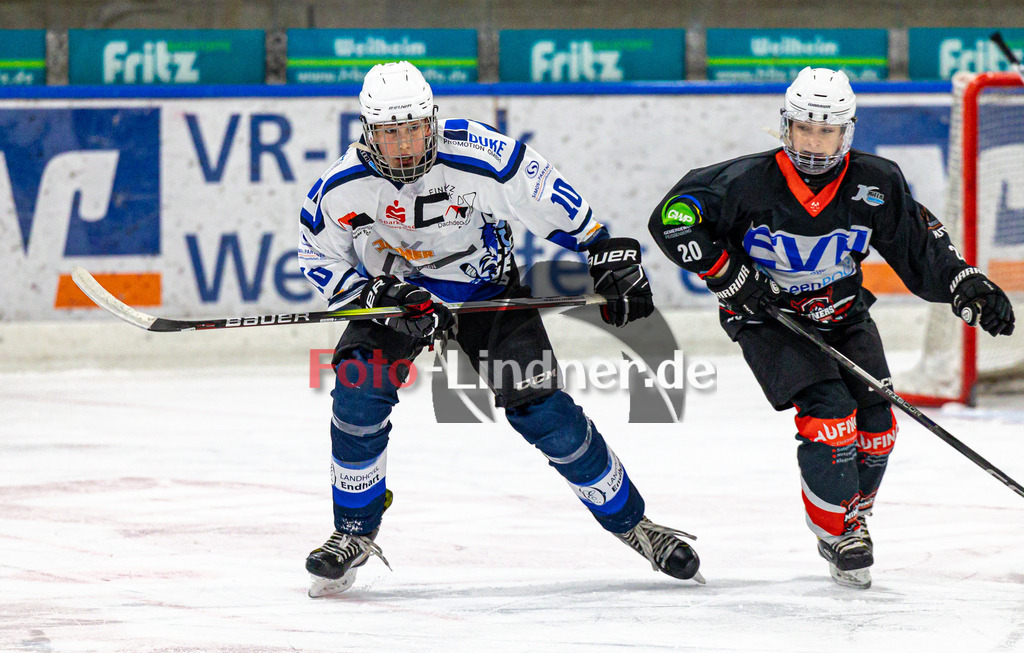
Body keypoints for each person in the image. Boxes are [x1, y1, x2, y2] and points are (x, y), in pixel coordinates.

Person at [297, 61, 701, 597]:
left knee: (543, 409)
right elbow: (317, 255)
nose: (404, 144)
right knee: (358, 389)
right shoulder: (341, 188)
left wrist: (602, 250)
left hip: (486, 292)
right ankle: (352, 532)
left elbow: (554, 201)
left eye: (415, 128)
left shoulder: (483, 157)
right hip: (400, 300)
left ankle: (634, 524)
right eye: (390, 133)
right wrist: (373, 294)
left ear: (432, 121)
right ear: (368, 131)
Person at [647, 67, 1015, 589]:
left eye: (828, 131)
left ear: (849, 132)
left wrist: (964, 282)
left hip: (845, 317)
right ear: (786, 127)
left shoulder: (876, 182)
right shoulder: (746, 182)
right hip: (770, 322)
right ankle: (837, 529)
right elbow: (674, 217)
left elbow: (919, 246)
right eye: (805, 129)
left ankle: (853, 515)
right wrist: (728, 276)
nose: (815, 143)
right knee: (830, 416)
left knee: (879, 426)